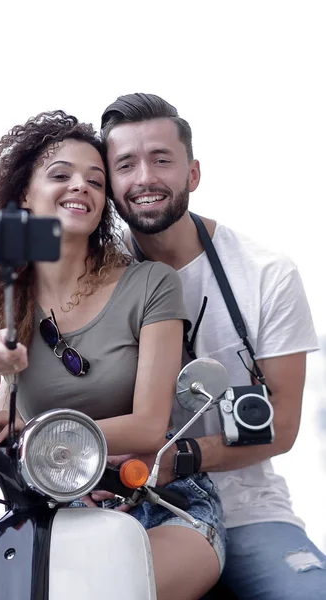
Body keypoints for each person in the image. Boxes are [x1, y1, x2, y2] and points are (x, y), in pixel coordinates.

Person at [0, 110, 226, 600]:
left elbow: (147, 425)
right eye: (61, 175)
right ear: (24, 197)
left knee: (104, 588)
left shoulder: (149, 284)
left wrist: (36, 430)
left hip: (164, 502)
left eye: (95, 181)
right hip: (59, 508)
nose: (81, 187)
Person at [98, 92, 325, 600]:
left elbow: (282, 426)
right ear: (109, 184)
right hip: (131, 512)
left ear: (193, 174)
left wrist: (180, 457)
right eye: (126, 165)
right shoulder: (92, 283)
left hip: (250, 512)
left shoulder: (267, 274)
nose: (145, 179)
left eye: (162, 160)